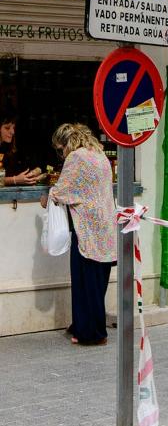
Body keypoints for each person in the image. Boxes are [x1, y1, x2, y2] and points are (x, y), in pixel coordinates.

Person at [40, 124, 116, 346]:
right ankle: (87, 326)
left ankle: (91, 333)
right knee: (97, 282)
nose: (61, 154)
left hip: (87, 230)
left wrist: (48, 197)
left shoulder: (76, 158)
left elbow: (62, 191)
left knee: (84, 283)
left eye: (60, 149)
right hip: (105, 229)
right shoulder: (99, 154)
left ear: (67, 144)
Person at [0, 114, 45, 186]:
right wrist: (15, 180)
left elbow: (20, 171)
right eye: (7, 128)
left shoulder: (9, 149)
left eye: (13, 128)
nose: (12, 132)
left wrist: (35, 172)